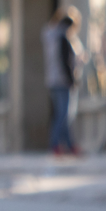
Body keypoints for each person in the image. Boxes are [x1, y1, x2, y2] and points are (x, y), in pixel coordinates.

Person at [42, 8, 80, 157]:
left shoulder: (50, 37)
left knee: (62, 113)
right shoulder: (62, 38)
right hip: (62, 81)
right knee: (64, 114)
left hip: (52, 80)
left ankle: (68, 145)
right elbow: (65, 61)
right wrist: (71, 79)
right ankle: (56, 144)